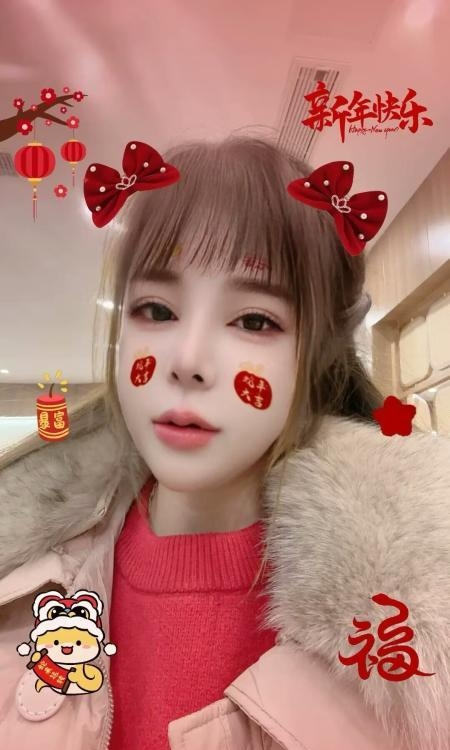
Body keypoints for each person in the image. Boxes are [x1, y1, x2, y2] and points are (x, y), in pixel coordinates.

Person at [0, 134, 449, 750]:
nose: (187, 361)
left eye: (254, 320)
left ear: (317, 355)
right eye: (156, 310)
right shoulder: (23, 582)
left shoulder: (410, 650)